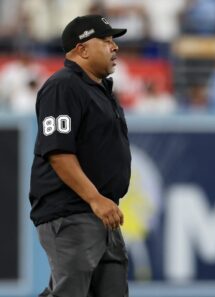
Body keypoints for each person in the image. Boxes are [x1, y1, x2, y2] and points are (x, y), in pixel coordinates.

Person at [29, 15, 131, 297]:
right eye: (107, 40)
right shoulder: (63, 86)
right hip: (73, 211)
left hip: (103, 213)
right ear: (82, 49)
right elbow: (58, 152)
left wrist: (102, 202)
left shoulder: (99, 89)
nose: (115, 47)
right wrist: (95, 198)